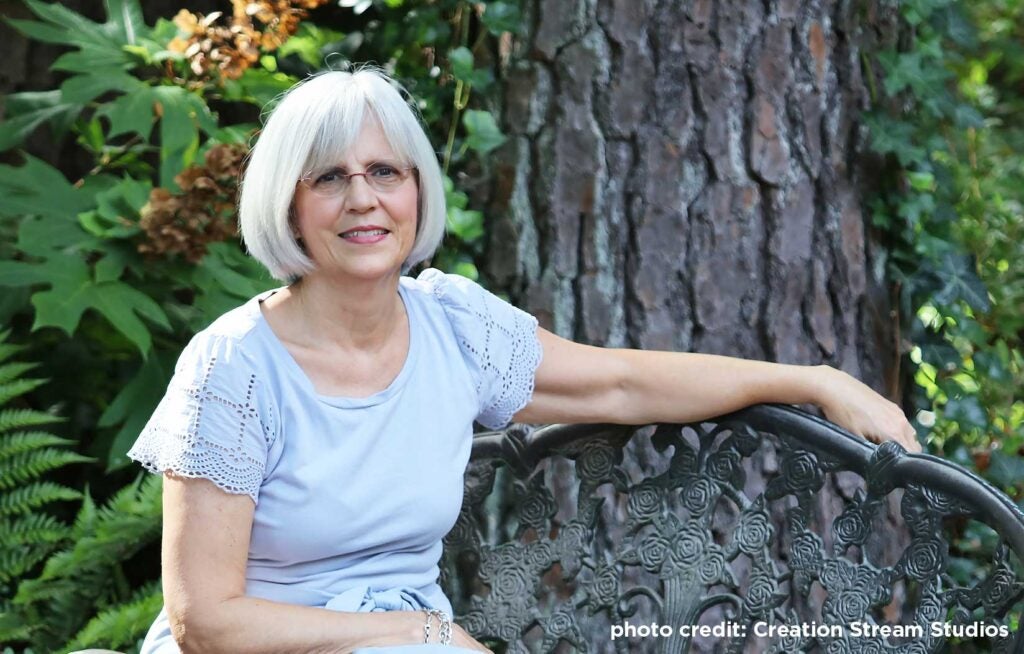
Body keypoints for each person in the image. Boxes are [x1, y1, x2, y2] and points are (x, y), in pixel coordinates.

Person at [126, 67, 920, 654]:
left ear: (415, 192)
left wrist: (815, 380)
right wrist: (414, 630)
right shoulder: (232, 370)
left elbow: (618, 381)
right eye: (330, 177)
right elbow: (207, 622)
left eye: (384, 172)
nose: (362, 199)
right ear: (290, 207)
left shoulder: (454, 330)